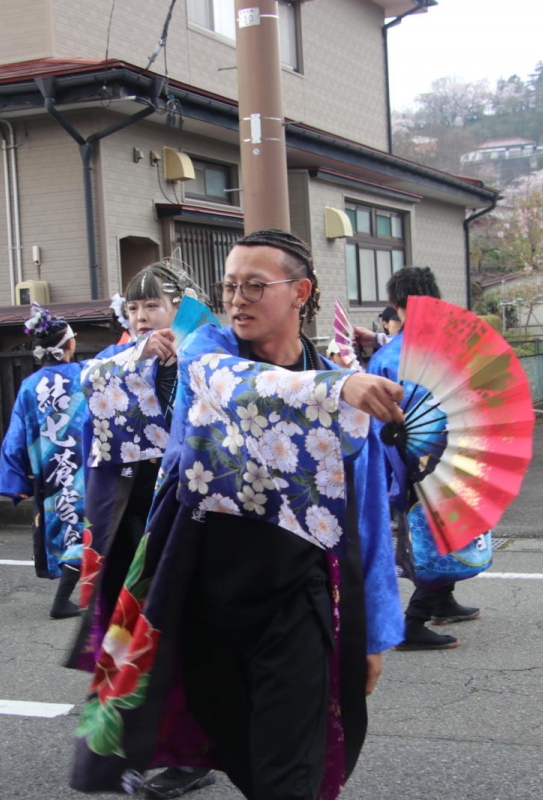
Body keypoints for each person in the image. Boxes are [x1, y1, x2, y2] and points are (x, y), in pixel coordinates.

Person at [69, 229, 404, 800]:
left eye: (254, 285)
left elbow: (367, 514)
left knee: (288, 774)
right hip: (206, 583)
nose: (236, 299)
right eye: (229, 286)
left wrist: (373, 632)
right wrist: (337, 388)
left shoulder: (342, 385)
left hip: (300, 591)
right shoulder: (209, 352)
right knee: (238, 746)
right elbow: (239, 388)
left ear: (301, 292)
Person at [70, 265, 217, 800]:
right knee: (132, 632)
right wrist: (139, 356)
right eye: (132, 308)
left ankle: (189, 751)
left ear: (180, 308)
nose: (140, 317)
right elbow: (88, 383)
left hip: (187, 511)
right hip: (133, 511)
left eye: (152, 306)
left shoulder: (209, 356)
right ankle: (130, 748)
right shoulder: (117, 361)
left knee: (181, 632)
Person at [361, 267, 483, 651]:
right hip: (453, 451)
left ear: (395, 305)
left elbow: (374, 423)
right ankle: (413, 622)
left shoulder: (387, 357)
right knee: (440, 537)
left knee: (430, 534)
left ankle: (442, 601)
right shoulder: (454, 348)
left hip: (407, 458)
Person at [0, 305, 88, 620]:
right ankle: (63, 601)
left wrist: (14, 481)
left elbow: (14, 437)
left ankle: (74, 597)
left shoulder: (29, 386)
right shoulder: (85, 375)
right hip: (85, 472)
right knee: (86, 530)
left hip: (50, 478)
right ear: (70, 344)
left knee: (67, 529)